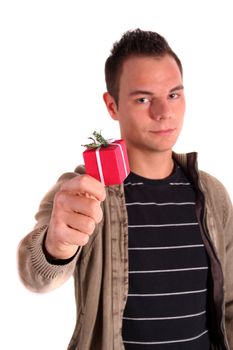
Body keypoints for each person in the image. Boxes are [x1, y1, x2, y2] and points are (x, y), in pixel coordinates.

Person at [17, 28, 233, 350]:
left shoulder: (212, 193)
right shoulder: (84, 192)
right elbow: (36, 277)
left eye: (173, 94)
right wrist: (56, 246)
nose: (163, 112)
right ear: (112, 106)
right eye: (143, 99)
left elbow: (228, 305)